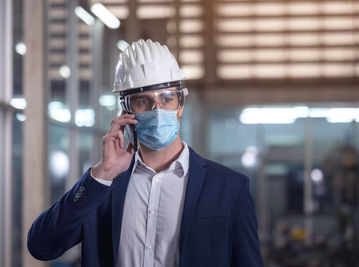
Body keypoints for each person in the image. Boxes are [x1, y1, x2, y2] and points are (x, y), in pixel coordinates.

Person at [27, 39, 264, 267]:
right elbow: (42, 246)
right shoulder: (103, 188)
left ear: (180, 105)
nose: (157, 109)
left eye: (167, 98)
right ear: (126, 110)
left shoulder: (229, 187)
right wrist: (102, 175)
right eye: (143, 101)